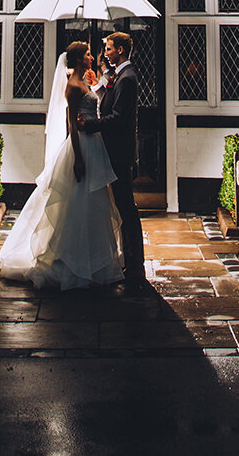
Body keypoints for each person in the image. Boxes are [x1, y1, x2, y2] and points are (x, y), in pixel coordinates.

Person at [0, 42, 124, 290]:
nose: (91, 57)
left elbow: (95, 103)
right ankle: (70, 260)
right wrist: (77, 157)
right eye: (87, 54)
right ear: (78, 59)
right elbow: (72, 126)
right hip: (82, 146)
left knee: (95, 202)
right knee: (77, 204)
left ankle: (95, 260)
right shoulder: (73, 88)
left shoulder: (85, 81)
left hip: (94, 145)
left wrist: (99, 79)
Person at [80, 29, 148, 291]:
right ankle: (129, 261)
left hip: (119, 152)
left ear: (119, 50)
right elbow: (109, 103)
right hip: (114, 151)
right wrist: (98, 86)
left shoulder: (127, 78)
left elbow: (118, 117)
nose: (104, 53)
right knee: (121, 206)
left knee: (126, 208)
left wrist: (90, 125)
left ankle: (135, 265)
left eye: (108, 48)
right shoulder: (118, 76)